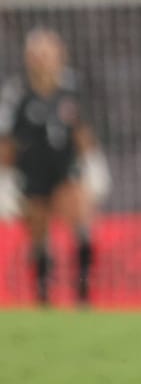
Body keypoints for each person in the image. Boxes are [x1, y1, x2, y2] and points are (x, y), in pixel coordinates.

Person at [0, 29, 108, 306]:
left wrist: (94, 164)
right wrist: (4, 177)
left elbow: (83, 133)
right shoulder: (16, 93)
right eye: (37, 54)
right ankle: (43, 297)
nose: (42, 59)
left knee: (82, 224)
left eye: (47, 53)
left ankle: (83, 294)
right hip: (31, 172)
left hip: (65, 169)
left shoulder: (73, 90)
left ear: (60, 55)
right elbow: (7, 142)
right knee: (39, 232)